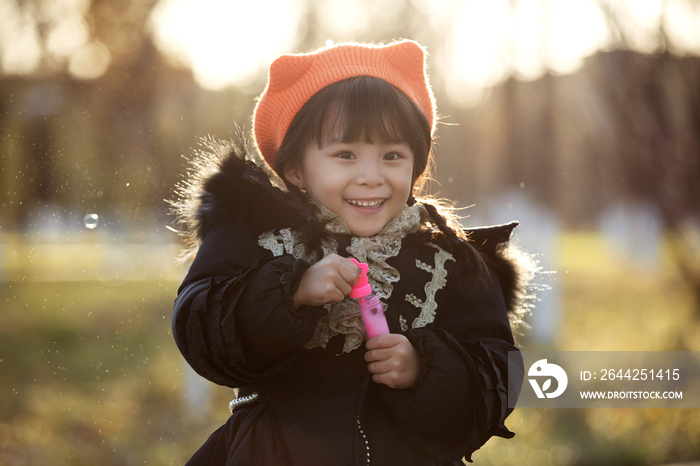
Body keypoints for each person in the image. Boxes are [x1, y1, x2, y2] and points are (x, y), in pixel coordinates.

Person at [170, 40, 531, 466]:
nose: (371, 177)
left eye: (392, 156)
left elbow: (497, 376)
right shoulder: (256, 238)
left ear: (416, 165)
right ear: (295, 169)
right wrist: (290, 291)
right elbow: (200, 329)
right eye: (345, 155)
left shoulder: (451, 264)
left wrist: (425, 368)